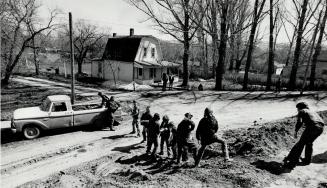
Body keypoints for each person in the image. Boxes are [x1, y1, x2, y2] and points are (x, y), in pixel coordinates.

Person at [283, 102, 325, 169]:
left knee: (300, 144)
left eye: (297, 108)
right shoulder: (312, 111)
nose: (297, 110)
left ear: (299, 107)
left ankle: (292, 164)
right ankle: (307, 161)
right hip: (321, 128)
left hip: (312, 126)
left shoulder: (302, 111)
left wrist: (296, 131)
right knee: (309, 143)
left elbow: (299, 122)